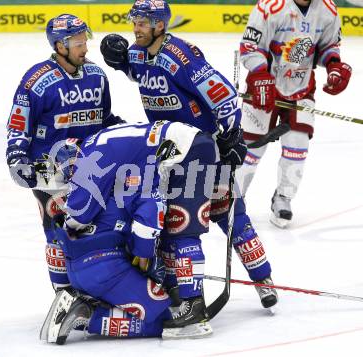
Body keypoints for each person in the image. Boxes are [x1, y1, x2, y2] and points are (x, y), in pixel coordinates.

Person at [100, 0, 278, 308]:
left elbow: (222, 94)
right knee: (173, 224)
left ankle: (263, 279)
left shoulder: (182, 57)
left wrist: (233, 133)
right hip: (169, 156)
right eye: (135, 21)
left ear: (160, 25)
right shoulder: (139, 53)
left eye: (143, 22)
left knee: (233, 218)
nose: (136, 28)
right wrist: (119, 61)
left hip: (206, 152)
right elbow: (136, 70)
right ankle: (177, 288)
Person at [40, 121, 217, 343]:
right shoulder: (122, 166)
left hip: (80, 269)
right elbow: (148, 212)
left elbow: (75, 218)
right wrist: (145, 255)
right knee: (165, 315)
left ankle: (83, 301)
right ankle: (91, 316)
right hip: (108, 267)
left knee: (169, 233)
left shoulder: (102, 168)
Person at [5, 14, 124, 293]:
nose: (85, 48)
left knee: (100, 228)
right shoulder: (36, 81)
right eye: (78, 42)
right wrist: (17, 158)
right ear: (60, 45)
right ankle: (64, 293)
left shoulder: (96, 75)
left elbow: (103, 117)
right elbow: (19, 125)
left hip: (91, 166)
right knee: (58, 232)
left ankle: (97, 287)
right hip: (49, 170)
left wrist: (124, 131)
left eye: (85, 41)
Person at [237, 0, 352, 228]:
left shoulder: (327, 9)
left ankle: (283, 198)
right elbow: (250, 47)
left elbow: (328, 47)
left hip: (301, 89)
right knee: (251, 147)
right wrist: (260, 75)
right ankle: (234, 198)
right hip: (264, 86)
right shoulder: (269, 6)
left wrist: (334, 66)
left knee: (298, 146)